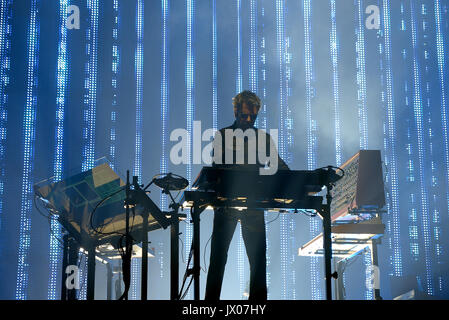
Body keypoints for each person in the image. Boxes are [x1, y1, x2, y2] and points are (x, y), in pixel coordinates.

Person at [205, 90, 289, 300]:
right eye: (245, 116)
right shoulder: (222, 135)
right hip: (227, 205)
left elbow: (281, 168)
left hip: (253, 204)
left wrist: (297, 181)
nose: (249, 120)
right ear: (235, 111)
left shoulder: (264, 139)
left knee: (258, 260)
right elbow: (218, 168)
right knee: (217, 259)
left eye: (253, 116)